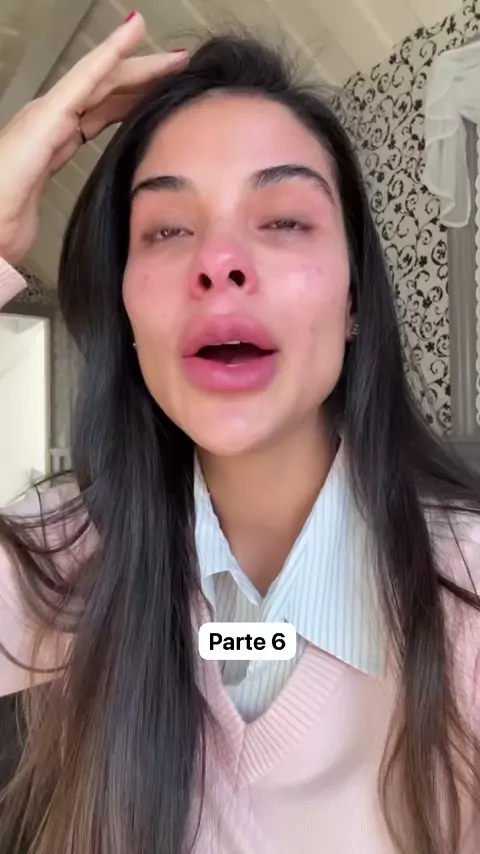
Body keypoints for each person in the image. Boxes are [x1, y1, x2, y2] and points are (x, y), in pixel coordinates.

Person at [0, 11, 479, 854]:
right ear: (126, 310)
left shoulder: (466, 590)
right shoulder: (60, 563)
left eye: (284, 219)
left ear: (355, 299)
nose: (218, 263)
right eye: (166, 229)